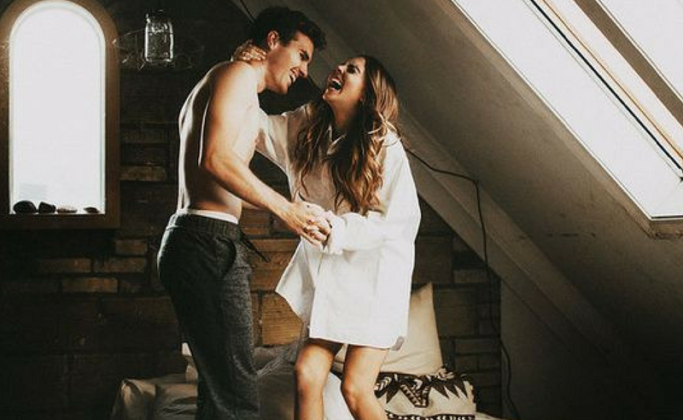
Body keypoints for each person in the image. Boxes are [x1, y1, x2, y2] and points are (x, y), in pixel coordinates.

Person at [156, 7, 326, 420]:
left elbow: (220, 177)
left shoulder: (233, 81)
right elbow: (214, 159)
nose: (304, 70)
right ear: (273, 41)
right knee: (236, 397)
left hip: (200, 238)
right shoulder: (236, 75)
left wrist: (290, 206)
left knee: (220, 391)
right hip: (206, 240)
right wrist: (284, 209)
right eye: (302, 55)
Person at [241, 47, 421, 420]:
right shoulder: (307, 125)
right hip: (334, 278)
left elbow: (395, 222)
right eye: (342, 65)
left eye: (351, 69)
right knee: (307, 374)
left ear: (367, 95)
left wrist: (333, 227)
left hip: (377, 278)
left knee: (355, 389)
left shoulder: (384, 144)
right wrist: (242, 71)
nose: (337, 68)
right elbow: (256, 128)